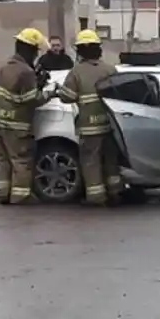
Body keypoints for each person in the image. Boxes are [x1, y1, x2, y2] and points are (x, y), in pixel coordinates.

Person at [55, 29, 122, 206]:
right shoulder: (110, 69)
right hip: (110, 124)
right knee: (110, 160)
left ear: (81, 51)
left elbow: (66, 96)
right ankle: (115, 192)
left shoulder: (76, 72)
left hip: (89, 127)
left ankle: (96, 196)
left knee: (91, 161)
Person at [0, 27, 55, 205]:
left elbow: (13, 93)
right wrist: (49, 92)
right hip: (16, 126)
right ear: (30, 50)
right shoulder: (26, 72)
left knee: (1, 160)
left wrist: (36, 82)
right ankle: (20, 196)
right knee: (21, 161)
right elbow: (31, 100)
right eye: (35, 51)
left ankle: (3, 194)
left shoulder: (4, 66)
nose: (35, 56)